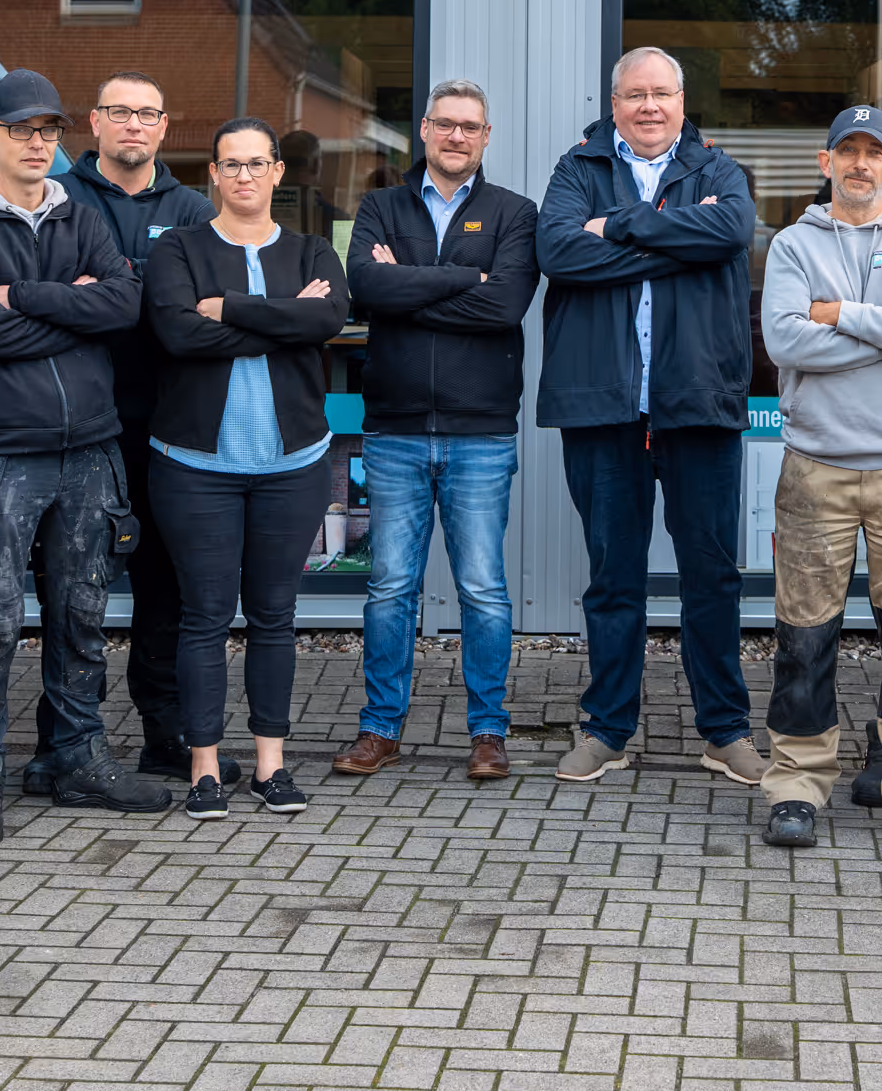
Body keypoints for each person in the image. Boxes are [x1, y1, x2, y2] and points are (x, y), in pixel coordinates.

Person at [0, 68, 172, 846]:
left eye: (48, 130)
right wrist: (74, 303)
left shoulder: (81, 214)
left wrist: (21, 295)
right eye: (22, 128)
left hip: (89, 451)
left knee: (82, 616)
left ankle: (75, 758)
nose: (38, 141)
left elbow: (122, 306)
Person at [536, 46, 761, 784]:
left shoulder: (717, 170)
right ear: (614, 104)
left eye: (662, 92)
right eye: (634, 94)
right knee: (612, 576)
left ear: (683, 98)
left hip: (697, 403)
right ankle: (607, 727)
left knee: (712, 575)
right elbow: (561, 253)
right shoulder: (577, 170)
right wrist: (671, 236)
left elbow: (729, 234)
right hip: (605, 407)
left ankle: (725, 730)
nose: (649, 106)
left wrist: (617, 228)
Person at [757, 107, 882, 852]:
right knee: (804, 637)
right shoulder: (791, 243)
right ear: (825, 160)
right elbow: (783, 337)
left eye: (873, 152)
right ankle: (795, 784)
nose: (859, 163)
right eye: (847, 149)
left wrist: (838, 316)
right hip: (816, 467)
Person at [145, 117, 351, 821]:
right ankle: (204, 768)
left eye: (256, 163)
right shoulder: (178, 249)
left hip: (292, 464)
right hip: (195, 464)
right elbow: (176, 331)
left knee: (273, 616)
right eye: (230, 163)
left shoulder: (313, 249)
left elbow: (327, 323)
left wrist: (229, 309)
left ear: (276, 173)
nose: (243, 176)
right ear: (212, 173)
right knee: (202, 617)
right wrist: (283, 318)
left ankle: (271, 764)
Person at [334, 80, 540, 782]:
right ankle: (379, 726)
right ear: (423, 131)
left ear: (487, 136)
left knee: (482, 587)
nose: (456, 137)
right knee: (390, 585)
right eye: (444, 124)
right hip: (393, 428)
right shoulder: (380, 205)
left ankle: (488, 730)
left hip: (481, 431)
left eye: (469, 127)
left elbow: (504, 305)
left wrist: (413, 285)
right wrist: (461, 277)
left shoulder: (515, 212)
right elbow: (366, 288)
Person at [17, 69, 213, 796]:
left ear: (165, 127)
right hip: (77, 422)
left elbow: (192, 309)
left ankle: (164, 734)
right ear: (94, 123)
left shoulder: (193, 208)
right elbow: (52, 301)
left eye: (149, 113)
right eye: (120, 111)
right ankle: (62, 742)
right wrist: (128, 296)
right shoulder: (58, 201)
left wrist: (103, 294)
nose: (135, 124)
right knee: (74, 589)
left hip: (168, 426)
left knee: (168, 585)